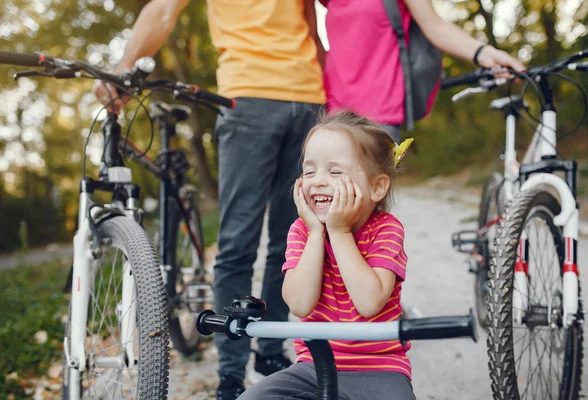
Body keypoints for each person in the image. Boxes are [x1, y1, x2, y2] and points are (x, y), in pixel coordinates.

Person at [93, 1, 325, 399]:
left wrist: (330, 96)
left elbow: (310, 27)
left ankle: (269, 353)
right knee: (238, 242)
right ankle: (232, 373)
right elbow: (162, 11)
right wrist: (123, 71)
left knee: (293, 240)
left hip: (309, 98)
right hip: (247, 98)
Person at [238, 110, 416, 400]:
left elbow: (369, 303)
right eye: (309, 171)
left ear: (377, 187)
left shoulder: (386, 229)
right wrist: (318, 233)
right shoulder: (302, 231)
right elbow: (300, 304)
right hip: (313, 367)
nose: (318, 181)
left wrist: (340, 232)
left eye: (335, 172)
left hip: (380, 368)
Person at [314, 0, 526, 142]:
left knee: (366, 203)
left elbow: (436, 27)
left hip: (378, 114)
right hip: (331, 110)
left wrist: (486, 53)